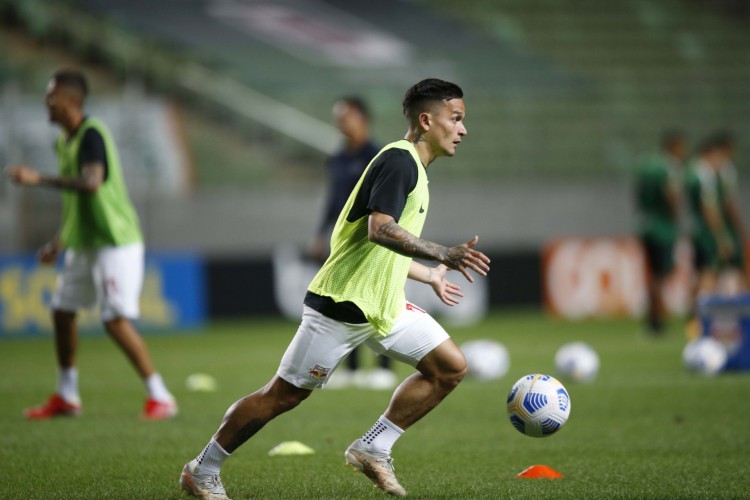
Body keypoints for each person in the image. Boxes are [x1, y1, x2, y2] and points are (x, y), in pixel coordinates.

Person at [179, 78, 490, 499]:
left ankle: (374, 447)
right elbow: (380, 230)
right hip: (341, 306)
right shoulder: (399, 162)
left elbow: (379, 249)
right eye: (456, 119)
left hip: (383, 307)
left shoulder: (414, 168)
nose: (463, 129)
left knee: (450, 367)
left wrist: (427, 273)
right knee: (282, 396)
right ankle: (203, 469)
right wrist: (440, 254)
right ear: (426, 119)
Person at [5, 69, 177, 421]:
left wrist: (37, 178)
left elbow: (91, 184)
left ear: (71, 101)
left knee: (114, 319)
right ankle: (67, 395)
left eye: (51, 95)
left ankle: (160, 396)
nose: (45, 102)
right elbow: (76, 203)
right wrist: (59, 241)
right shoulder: (62, 141)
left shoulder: (92, 134)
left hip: (115, 240)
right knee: (63, 311)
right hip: (84, 243)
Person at [310, 96, 397, 391]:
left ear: (362, 118)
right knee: (342, 303)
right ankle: (353, 368)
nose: (339, 123)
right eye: (338, 117)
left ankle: (384, 367)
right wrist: (321, 233)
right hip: (341, 243)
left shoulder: (379, 156)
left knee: (376, 301)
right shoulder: (335, 159)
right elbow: (333, 200)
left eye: (344, 116)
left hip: (370, 241)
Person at [634, 129, 687, 333]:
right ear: (672, 146)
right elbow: (671, 194)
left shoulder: (646, 165)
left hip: (645, 223)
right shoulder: (670, 167)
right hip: (663, 228)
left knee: (652, 274)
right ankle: (656, 320)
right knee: (660, 275)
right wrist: (676, 218)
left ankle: (652, 318)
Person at [685, 131, 744, 304]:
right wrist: (723, 236)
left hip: (699, 229)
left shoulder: (692, 170)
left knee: (703, 271)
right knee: (712, 271)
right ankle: (708, 316)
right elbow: (711, 208)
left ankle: (696, 317)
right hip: (711, 231)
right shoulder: (707, 173)